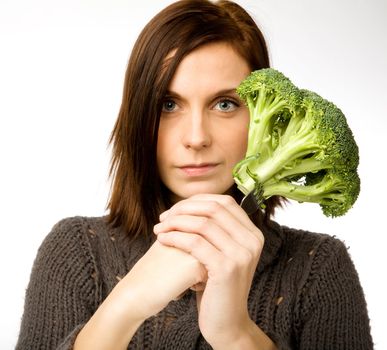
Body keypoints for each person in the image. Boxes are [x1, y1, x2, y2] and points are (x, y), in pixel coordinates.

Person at [16, 0, 373, 349]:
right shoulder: (76, 250)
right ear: (139, 117)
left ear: (268, 120)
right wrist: (127, 304)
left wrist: (235, 333)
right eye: (168, 105)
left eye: (225, 104)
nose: (196, 138)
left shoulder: (320, 268)